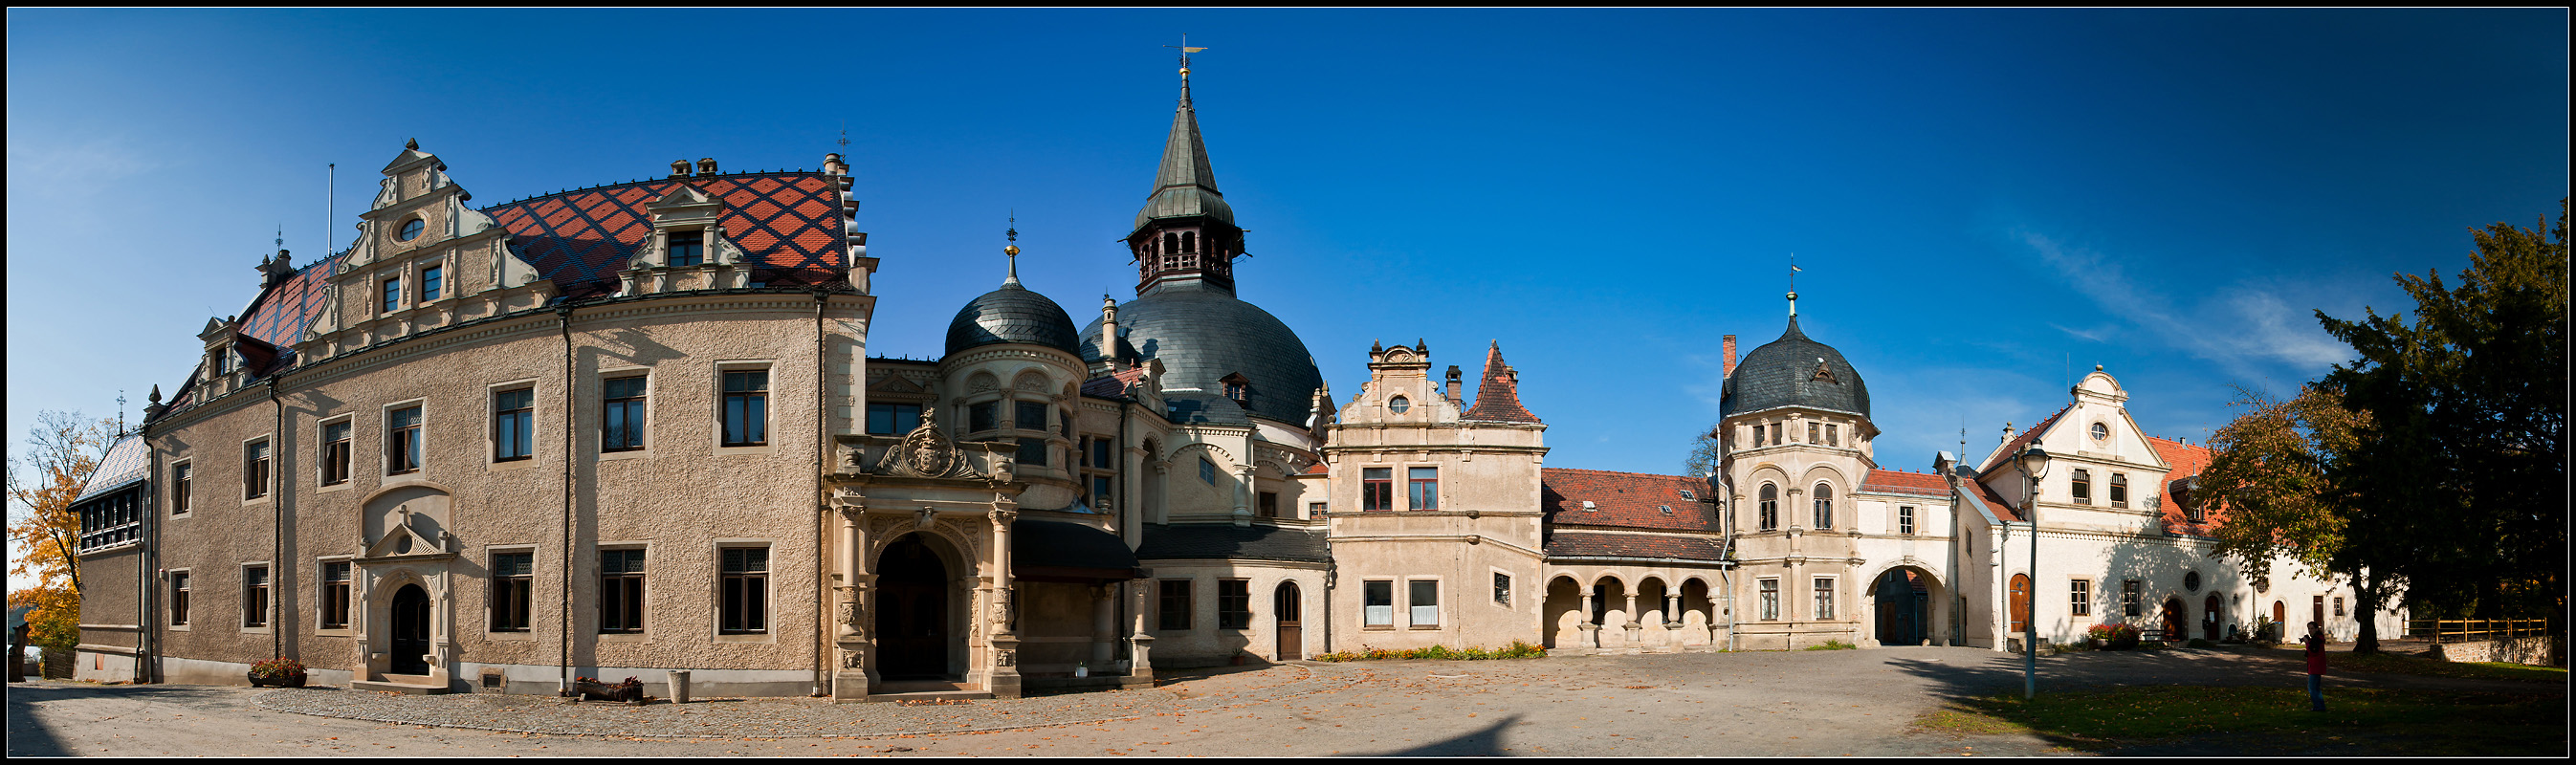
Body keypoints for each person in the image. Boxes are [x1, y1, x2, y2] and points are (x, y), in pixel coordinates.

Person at [2302, 621, 2328, 711]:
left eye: (2312, 628)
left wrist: (2307, 643)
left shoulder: (2316, 639)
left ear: (2316, 629)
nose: (2310, 631)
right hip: (2315, 665)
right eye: (2309, 629)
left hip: (2315, 665)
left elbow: (2313, 652)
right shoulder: (2317, 638)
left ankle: (2318, 707)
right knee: (2316, 688)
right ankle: (2320, 707)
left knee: (2312, 687)